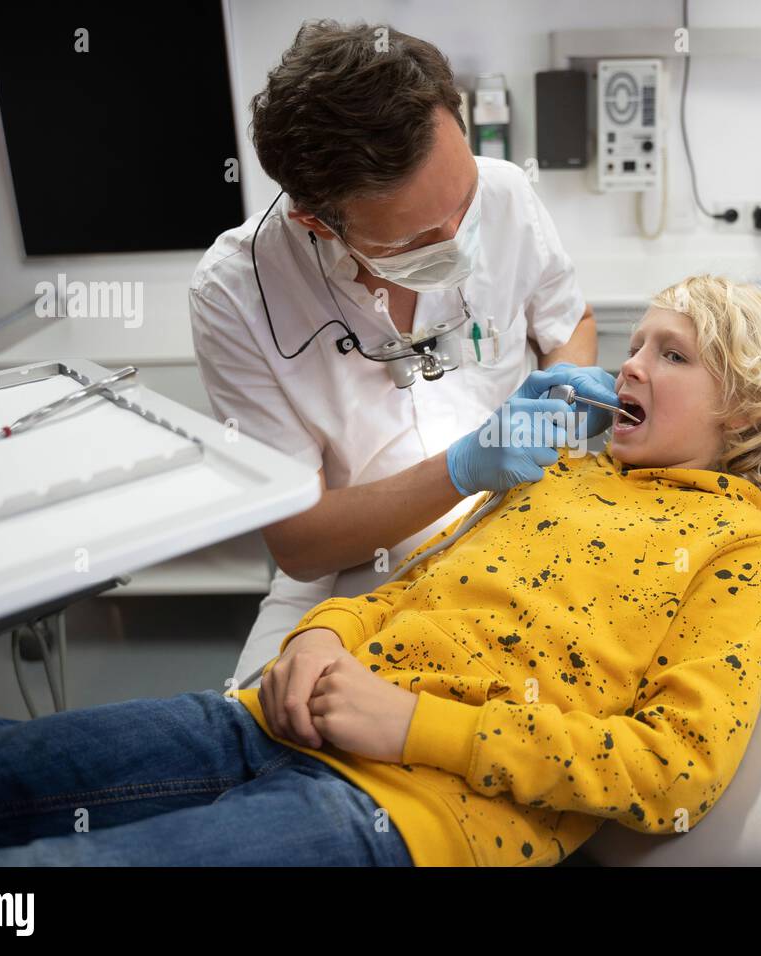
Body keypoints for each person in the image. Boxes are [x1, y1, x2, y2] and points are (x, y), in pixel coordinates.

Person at [0, 276, 761, 867]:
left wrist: (410, 723)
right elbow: (411, 587)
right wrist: (323, 633)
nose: (628, 365)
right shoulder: (558, 465)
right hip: (274, 714)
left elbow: (674, 769)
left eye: (669, 353)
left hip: (405, 806)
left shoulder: (742, 549)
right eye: (633, 341)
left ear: (749, 418)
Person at [188, 19, 613, 691]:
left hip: (523, 527)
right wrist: (467, 465)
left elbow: (570, 319)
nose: (457, 239)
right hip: (351, 576)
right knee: (257, 722)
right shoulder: (239, 293)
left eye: (463, 206)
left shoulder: (503, 194)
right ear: (318, 222)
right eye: (418, 237)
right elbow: (301, 546)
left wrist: (562, 391)